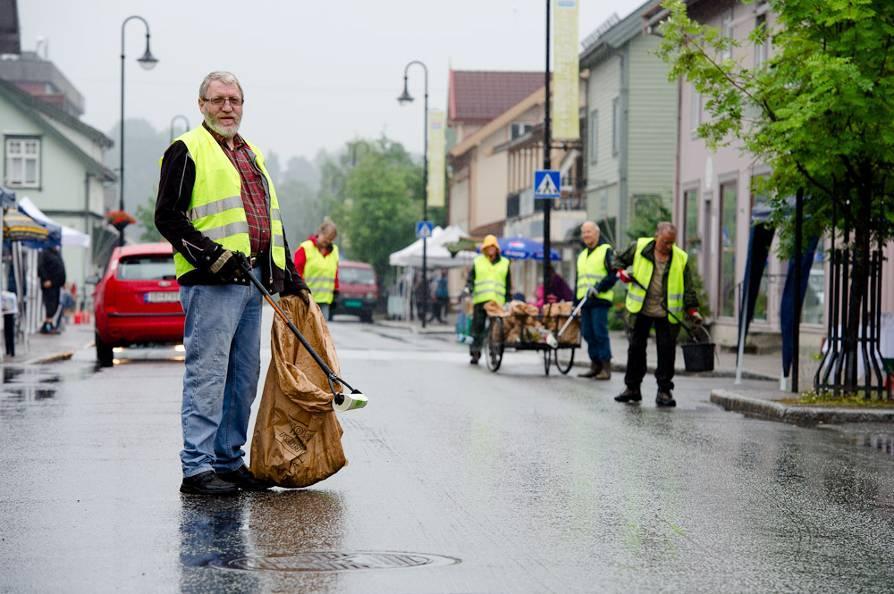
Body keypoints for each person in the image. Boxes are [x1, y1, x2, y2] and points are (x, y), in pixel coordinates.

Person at [155, 71, 310, 496]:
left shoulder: (252, 154)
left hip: (254, 279)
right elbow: (168, 217)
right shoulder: (186, 149)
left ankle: (228, 460)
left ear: (243, 105)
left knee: (243, 375)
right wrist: (212, 256)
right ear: (201, 104)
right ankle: (197, 467)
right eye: (218, 99)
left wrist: (290, 276)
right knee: (208, 374)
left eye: (235, 100)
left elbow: (269, 221)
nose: (228, 107)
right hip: (212, 281)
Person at [600, 222, 702, 407]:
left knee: (666, 350)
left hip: (667, 311)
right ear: (656, 237)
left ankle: (664, 391)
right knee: (636, 348)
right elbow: (616, 259)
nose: (668, 247)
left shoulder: (680, 258)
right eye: (665, 242)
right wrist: (621, 272)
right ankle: (633, 388)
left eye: (672, 243)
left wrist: (692, 309)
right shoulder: (639, 247)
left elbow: (688, 287)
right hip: (641, 309)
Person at [575, 221, 614, 380]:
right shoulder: (582, 255)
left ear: (597, 233)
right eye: (584, 232)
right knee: (587, 333)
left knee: (600, 333)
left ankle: (605, 366)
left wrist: (599, 287)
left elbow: (614, 274)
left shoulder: (606, 251)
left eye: (589, 232)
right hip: (585, 300)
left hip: (600, 299)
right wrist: (575, 303)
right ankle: (595, 364)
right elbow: (578, 280)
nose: (586, 235)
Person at [465, 234, 511, 364]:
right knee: (478, 327)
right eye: (488, 247)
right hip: (481, 300)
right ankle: (475, 352)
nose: (490, 249)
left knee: (495, 329)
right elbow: (471, 278)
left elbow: (508, 283)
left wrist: (508, 299)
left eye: (493, 247)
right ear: (484, 249)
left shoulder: (505, 263)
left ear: (496, 249)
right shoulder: (478, 261)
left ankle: (494, 353)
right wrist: (468, 287)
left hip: (497, 301)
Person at [294, 220, 339, 320]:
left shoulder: (334, 251)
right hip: (306, 299)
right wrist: (299, 291)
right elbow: (296, 272)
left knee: (322, 333)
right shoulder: (305, 248)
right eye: (325, 239)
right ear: (319, 233)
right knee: (306, 332)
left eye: (330, 241)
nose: (326, 243)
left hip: (325, 301)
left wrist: (336, 290)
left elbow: (335, 272)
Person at [37, 243, 65, 334]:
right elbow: (40, 267)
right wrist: (46, 279)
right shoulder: (45, 253)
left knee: (55, 305)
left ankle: (49, 324)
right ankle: (48, 325)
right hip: (49, 284)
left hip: (56, 284)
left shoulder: (57, 252)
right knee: (50, 305)